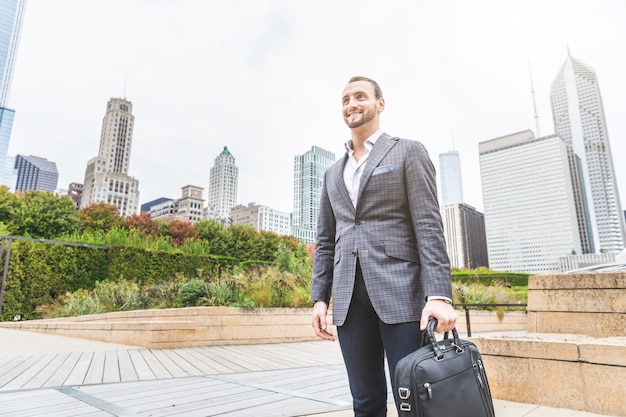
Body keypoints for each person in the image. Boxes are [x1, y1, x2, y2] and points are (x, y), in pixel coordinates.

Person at [311, 76, 457, 417]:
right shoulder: (333, 173)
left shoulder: (407, 151)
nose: (351, 104)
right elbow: (326, 241)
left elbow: (428, 225)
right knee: (365, 402)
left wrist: (438, 294)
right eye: (345, 99)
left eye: (360, 96)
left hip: (402, 295)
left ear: (380, 103)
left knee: (414, 399)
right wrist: (320, 298)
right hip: (349, 300)